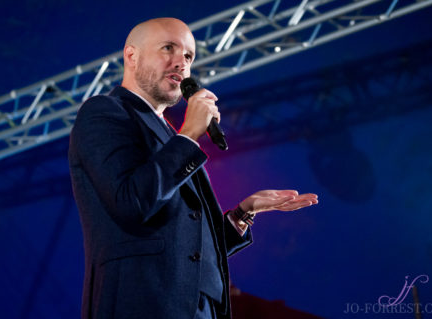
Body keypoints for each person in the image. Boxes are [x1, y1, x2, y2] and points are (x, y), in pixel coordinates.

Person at [68, 18, 318, 319]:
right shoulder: (105, 112)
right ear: (132, 56)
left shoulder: (173, 138)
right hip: (142, 305)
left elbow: (187, 250)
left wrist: (243, 213)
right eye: (168, 48)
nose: (181, 63)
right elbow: (131, 202)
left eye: (189, 56)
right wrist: (188, 136)